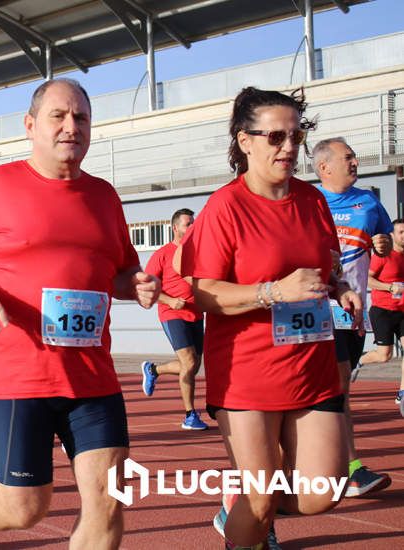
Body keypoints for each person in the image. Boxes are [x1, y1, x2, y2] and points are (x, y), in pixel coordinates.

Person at [0, 78, 158, 550]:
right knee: (25, 507)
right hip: (18, 377)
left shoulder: (104, 196)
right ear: (30, 125)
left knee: (108, 502)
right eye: (59, 116)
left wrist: (135, 284)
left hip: (93, 378)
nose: (72, 127)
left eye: (82, 118)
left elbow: (120, 271)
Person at [182, 87, 355, 549]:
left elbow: (326, 265)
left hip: (311, 365)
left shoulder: (313, 201)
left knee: (325, 493)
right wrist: (272, 292)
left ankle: (240, 501)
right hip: (249, 374)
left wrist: (341, 289)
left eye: (297, 136)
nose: (289, 148)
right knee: (258, 509)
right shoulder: (225, 207)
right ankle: (245, 522)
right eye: (276, 137)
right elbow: (201, 293)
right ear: (245, 141)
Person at [314, 137, 394, 496]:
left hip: (354, 309)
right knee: (337, 384)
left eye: (354, 156)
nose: (355, 161)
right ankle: (347, 468)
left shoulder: (369, 201)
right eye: (347, 157)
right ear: (324, 167)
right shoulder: (309, 202)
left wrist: (384, 245)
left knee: (339, 389)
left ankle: (329, 466)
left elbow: (387, 240)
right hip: (319, 308)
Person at [141, 208, 208, 430]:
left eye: (193, 224)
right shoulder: (162, 254)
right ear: (175, 228)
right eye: (188, 224)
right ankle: (190, 415)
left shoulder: (199, 253)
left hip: (196, 314)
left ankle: (153, 370)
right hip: (172, 313)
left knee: (193, 365)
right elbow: (146, 287)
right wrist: (169, 301)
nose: (192, 227)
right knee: (189, 362)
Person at [359, 219, 404, 418]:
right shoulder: (382, 255)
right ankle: (357, 362)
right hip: (383, 310)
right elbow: (367, 279)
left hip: (403, 311)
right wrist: (389, 287)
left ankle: (402, 393)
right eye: (401, 232)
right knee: (384, 355)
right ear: (392, 235)